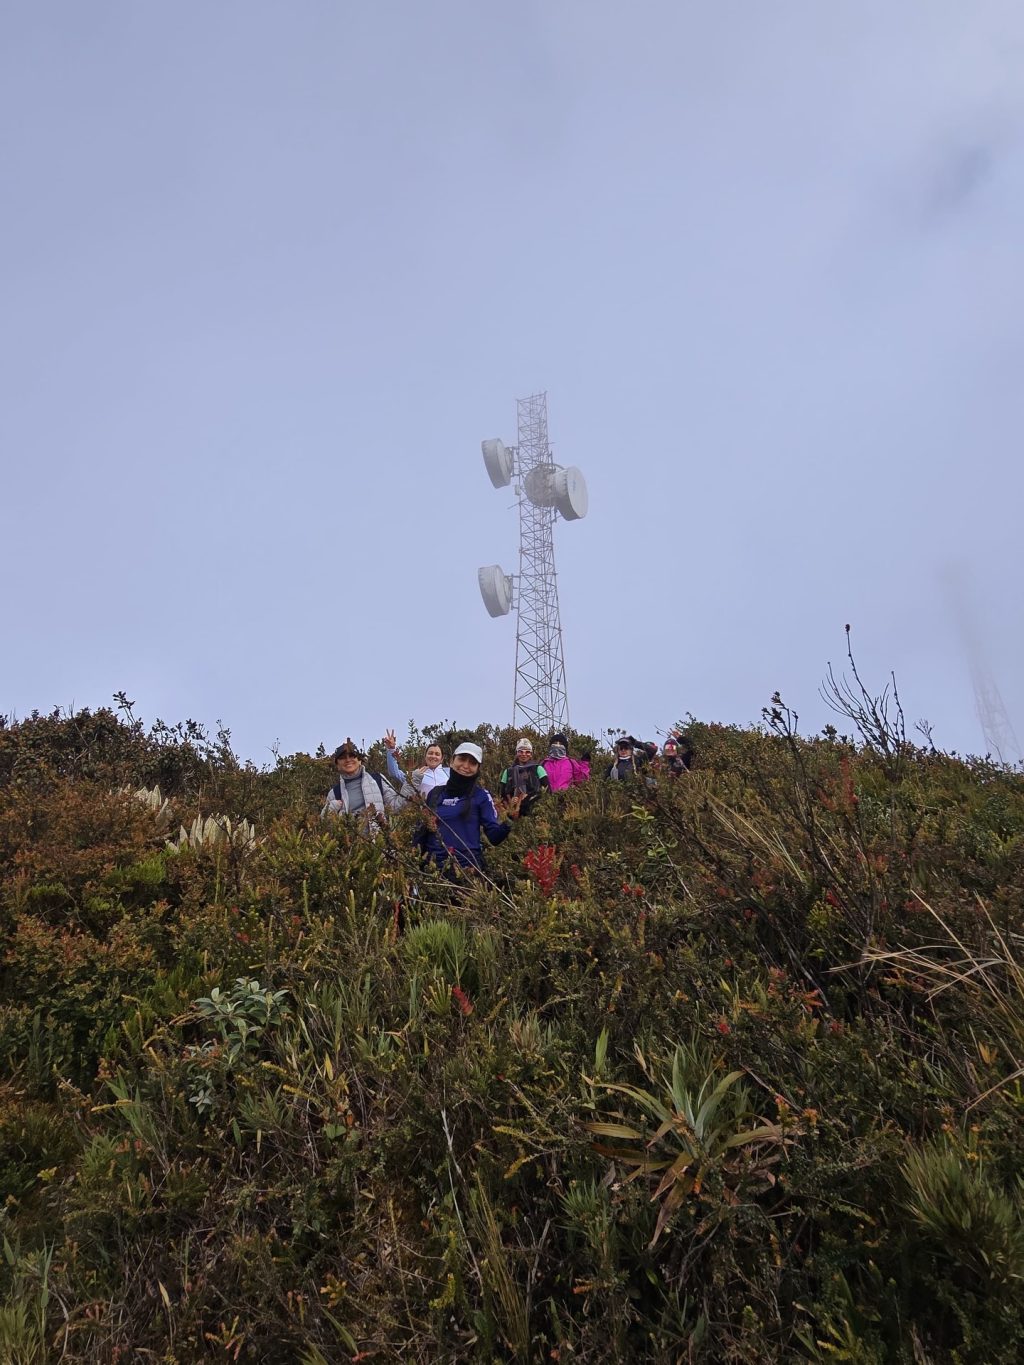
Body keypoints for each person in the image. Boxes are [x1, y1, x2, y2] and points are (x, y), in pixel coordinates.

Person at [415, 742, 522, 873]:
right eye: (462, 759)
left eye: (472, 762)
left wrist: (510, 819)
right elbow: (422, 832)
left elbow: (494, 837)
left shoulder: (481, 796)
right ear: (451, 761)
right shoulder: (435, 793)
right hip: (432, 873)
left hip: (467, 873)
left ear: (478, 768)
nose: (465, 766)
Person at [320, 739, 408, 828]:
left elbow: (395, 807)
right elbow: (327, 827)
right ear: (337, 764)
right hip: (350, 841)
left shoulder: (377, 779)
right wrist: (330, 809)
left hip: (380, 840)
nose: (348, 760)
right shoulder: (334, 793)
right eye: (342, 757)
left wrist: (413, 782)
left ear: (360, 760)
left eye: (352, 756)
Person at [383, 729, 450, 799]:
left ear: (442, 759)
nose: (433, 756)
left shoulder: (449, 772)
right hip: (424, 809)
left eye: (437, 754)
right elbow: (394, 773)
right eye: (430, 753)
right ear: (425, 756)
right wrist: (391, 749)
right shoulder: (416, 774)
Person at [499, 738, 550, 816]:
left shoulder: (538, 769)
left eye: (527, 752)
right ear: (516, 753)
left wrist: (529, 797)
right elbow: (501, 794)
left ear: (531, 754)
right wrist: (510, 801)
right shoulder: (508, 772)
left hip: (535, 813)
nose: (524, 754)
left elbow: (547, 791)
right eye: (521, 751)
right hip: (513, 814)